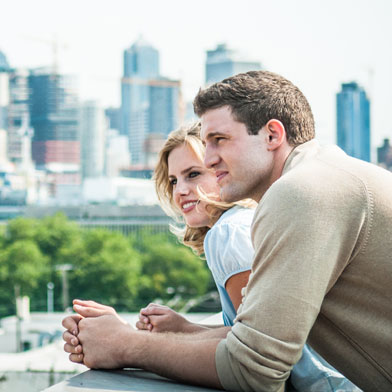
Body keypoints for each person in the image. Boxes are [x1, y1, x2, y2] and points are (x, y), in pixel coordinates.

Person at [63, 71, 392, 392]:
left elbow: (255, 369)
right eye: (206, 144)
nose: (210, 158)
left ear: (272, 135)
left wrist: (125, 345)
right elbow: (254, 337)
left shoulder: (300, 193)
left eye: (220, 140)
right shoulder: (324, 174)